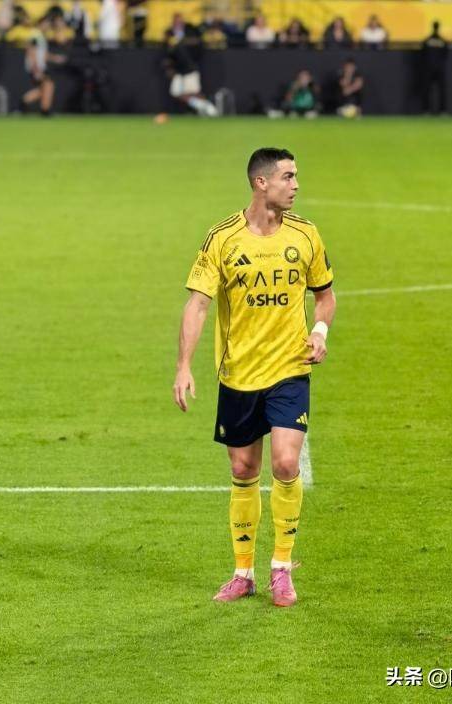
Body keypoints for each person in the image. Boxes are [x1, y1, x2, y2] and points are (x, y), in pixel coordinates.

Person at [173, 148, 336, 607]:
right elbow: (198, 304)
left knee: (284, 463)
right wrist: (184, 365)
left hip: (290, 369)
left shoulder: (305, 234)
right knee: (244, 470)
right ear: (261, 183)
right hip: (240, 373)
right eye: (288, 176)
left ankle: (281, 568)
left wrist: (320, 332)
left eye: (296, 176)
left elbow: (325, 296)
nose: (296, 185)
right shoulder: (222, 239)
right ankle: (243, 573)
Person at [164, 13, 217, 116]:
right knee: (176, 92)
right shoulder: (169, 33)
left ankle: (209, 108)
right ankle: (202, 106)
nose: (178, 23)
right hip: (178, 70)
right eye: (176, 21)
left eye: (180, 21)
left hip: (190, 68)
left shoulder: (189, 31)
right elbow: (168, 51)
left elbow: (197, 41)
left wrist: (181, 41)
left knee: (195, 93)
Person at [22, 15, 66, 116]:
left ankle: (26, 101)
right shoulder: (35, 34)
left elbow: (43, 55)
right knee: (48, 85)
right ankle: (45, 109)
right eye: (46, 24)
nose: (48, 26)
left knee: (44, 88)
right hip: (36, 67)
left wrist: (56, 58)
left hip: (40, 67)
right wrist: (36, 69)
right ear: (40, 23)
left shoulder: (41, 36)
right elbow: (31, 51)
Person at [420, 21, 447, 115]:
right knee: (441, 90)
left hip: (428, 68)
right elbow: (445, 55)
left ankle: (426, 110)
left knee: (427, 89)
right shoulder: (442, 41)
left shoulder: (427, 41)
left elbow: (422, 54)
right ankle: (442, 110)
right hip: (439, 68)